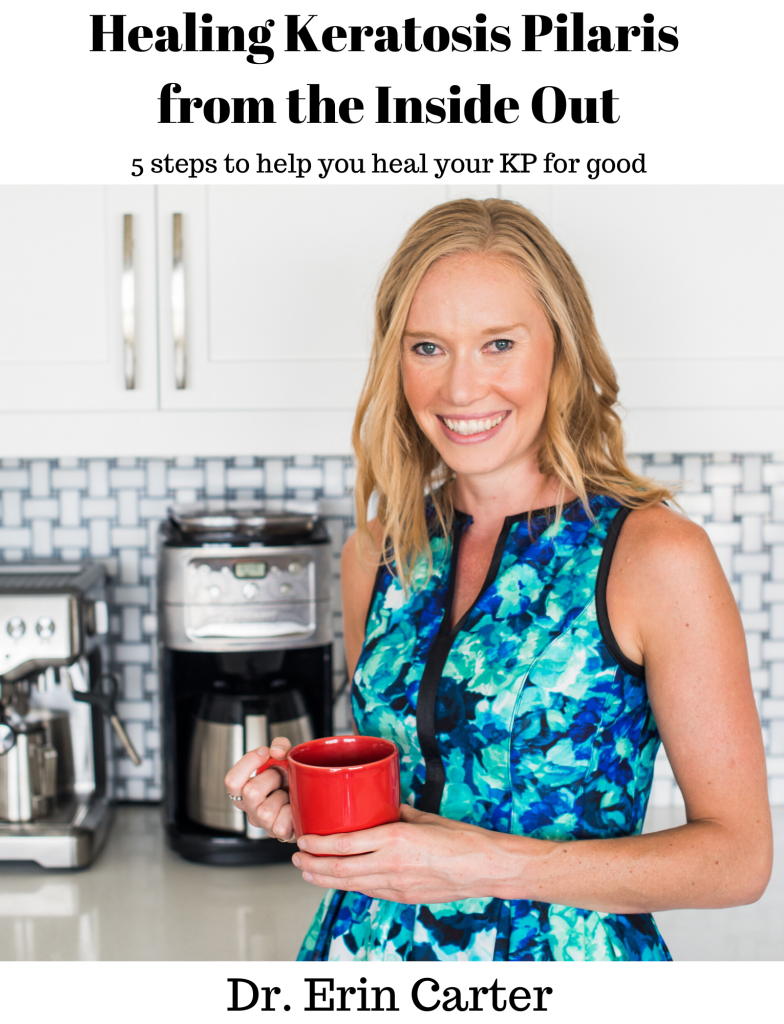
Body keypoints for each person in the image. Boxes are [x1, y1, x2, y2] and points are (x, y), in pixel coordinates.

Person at [225, 198, 772, 961]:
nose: (458, 389)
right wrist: (310, 801)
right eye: (426, 348)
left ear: (560, 349)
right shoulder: (379, 552)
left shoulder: (653, 556)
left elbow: (737, 861)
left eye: (498, 344)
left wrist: (480, 864)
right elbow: (409, 796)